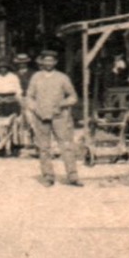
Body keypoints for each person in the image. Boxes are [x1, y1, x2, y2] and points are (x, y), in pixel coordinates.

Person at [25, 50, 81, 186]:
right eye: (46, 60)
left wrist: (61, 104)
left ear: (55, 62)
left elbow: (73, 97)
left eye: (51, 60)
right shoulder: (36, 77)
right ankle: (48, 176)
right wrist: (36, 109)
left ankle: (72, 176)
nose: (48, 63)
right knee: (43, 147)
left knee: (66, 145)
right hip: (41, 117)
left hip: (60, 117)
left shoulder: (62, 78)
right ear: (42, 62)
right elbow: (29, 97)